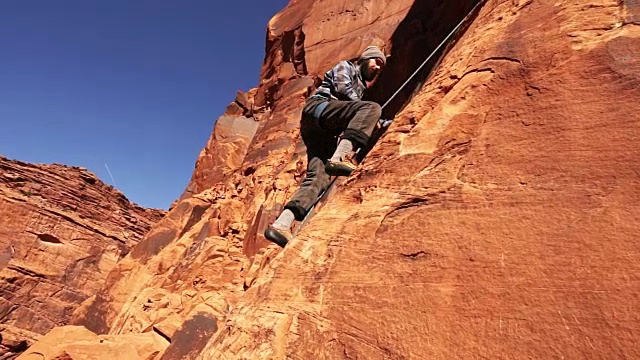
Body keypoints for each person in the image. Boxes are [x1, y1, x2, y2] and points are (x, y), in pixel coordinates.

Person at [264, 45, 387, 247]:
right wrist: (373, 116)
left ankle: (281, 225)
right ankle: (340, 158)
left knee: (319, 177)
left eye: (381, 65)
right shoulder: (346, 67)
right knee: (371, 108)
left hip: (320, 130)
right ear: (365, 59)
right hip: (318, 110)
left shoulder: (361, 86)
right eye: (376, 61)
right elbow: (342, 89)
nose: (377, 67)